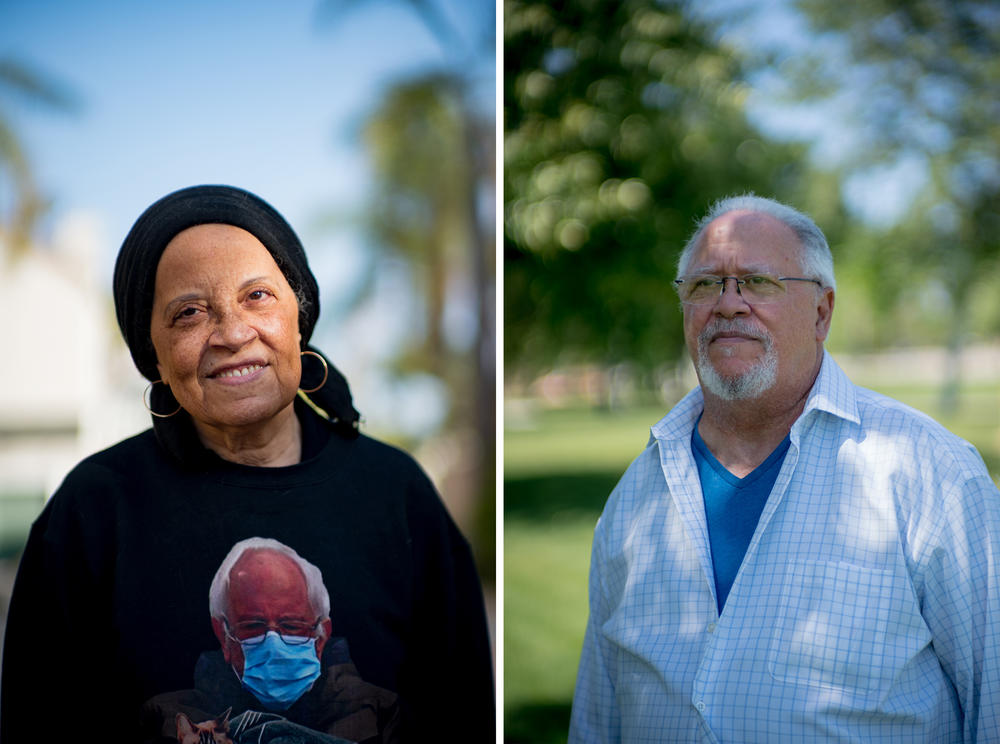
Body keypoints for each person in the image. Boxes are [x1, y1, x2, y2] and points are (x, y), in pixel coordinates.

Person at [0, 185, 494, 742]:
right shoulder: (91, 512)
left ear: (298, 318)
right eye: (189, 313)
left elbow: (465, 713)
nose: (233, 333)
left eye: (257, 296)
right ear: (154, 357)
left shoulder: (397, 494)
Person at [568, 194, 1000, 742]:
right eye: (705, 284)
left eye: (759, 281)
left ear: (822, 311)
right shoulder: (635, 498)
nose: (728, 303)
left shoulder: (929, 476)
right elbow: (596, 723)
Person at [141, 537, 400, 743]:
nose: (273, 644)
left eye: (292, 625)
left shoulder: (384, 716)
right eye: (253, 626)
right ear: (224, 636)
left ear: (321, 638)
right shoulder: (163, 718)